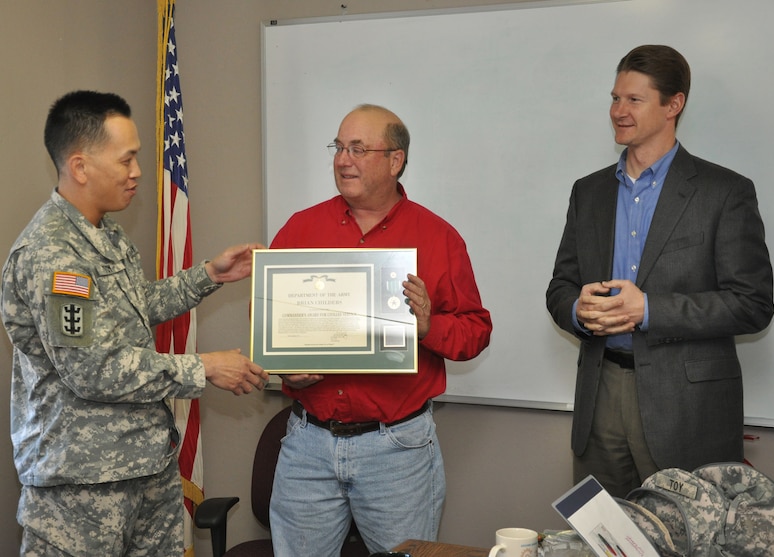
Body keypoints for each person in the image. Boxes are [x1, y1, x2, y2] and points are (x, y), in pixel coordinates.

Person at [0, 90, 269, 556]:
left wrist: (207, 276)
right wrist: (202, 367)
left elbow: (132, 306)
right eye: (126, 160)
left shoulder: (105, 232)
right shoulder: (55, 257)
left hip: (145, 466)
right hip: (81, 487)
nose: (138, 172)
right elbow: (94, 367)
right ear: (81, 167)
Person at [546, 45, 774, 497]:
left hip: (686, 409)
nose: (618, 111)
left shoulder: (724, 192)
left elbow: (752, 304)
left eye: (634, 100)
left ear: (674, 104)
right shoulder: (588, 191)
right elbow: (560, 287)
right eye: (614, 98)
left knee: (684, 540)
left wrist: (647, 309)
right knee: (602, 536)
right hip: (601, 394)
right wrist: (578, 309)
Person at [268, 104, 492, 555]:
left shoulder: (438, 238)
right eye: (338, 147)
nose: (342, 159)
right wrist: (285, 370)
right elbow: (274, 325)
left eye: (357, 148)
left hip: (397, 450)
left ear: (395, 160)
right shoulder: (300, 228)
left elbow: (475, 332)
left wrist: (429, 326)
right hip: (308, 443)